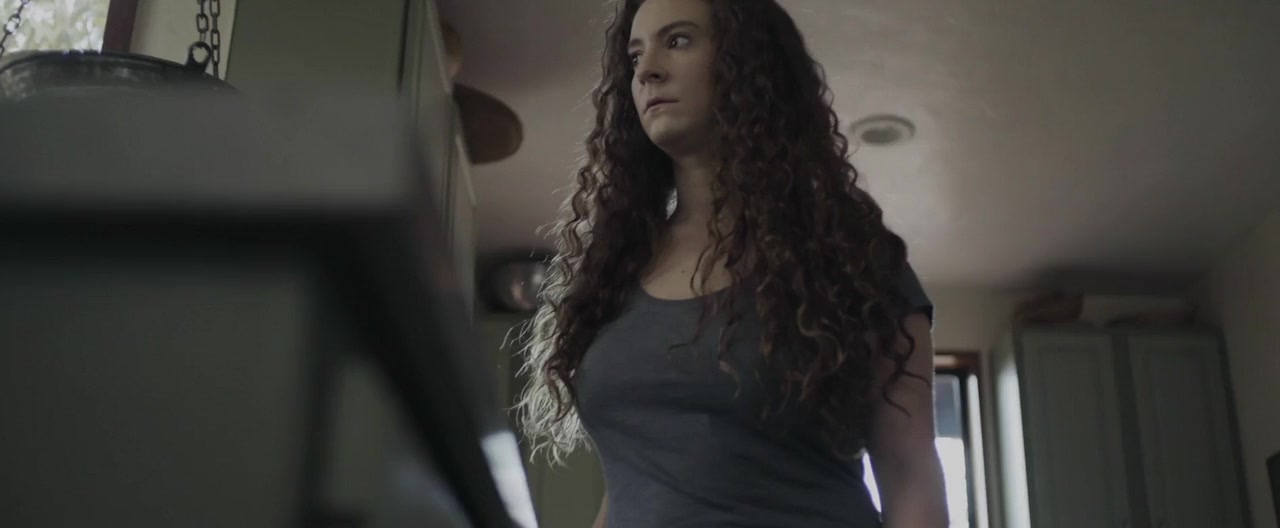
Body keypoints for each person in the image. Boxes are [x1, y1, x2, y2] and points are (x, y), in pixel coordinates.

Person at [514, 0, 948, 526]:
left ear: (747, 61)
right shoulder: (614, 270)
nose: (647, 70)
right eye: (635, 56)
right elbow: (638, 482)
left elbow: (910, 478)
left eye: (677, 40)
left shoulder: (854, 259)